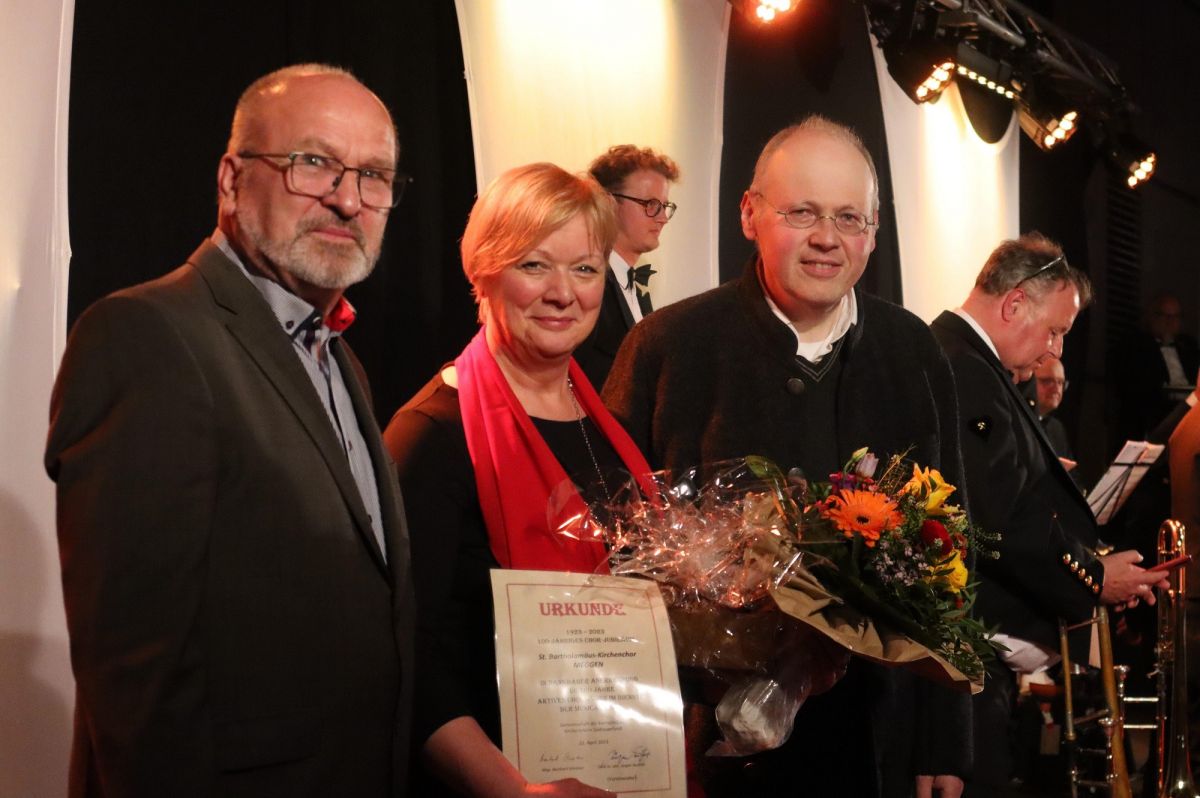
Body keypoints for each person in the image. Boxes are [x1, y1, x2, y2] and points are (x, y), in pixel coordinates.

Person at [43, 64, 414, 797]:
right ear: (231, 180)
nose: (347, 198)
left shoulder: (341, 363)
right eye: (314, 163)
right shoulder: (145, 335)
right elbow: (137, 679)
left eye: (374, 176)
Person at [604, 115, 968, 797]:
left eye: (849, 218)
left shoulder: (914, 353)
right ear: (750, 214)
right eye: (802, 212)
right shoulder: (667, 346)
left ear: (875, 229)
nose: (828, 238)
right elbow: (611, 550)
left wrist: (944, 741)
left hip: (877, 742)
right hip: (703, 747)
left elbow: (952, 550)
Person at [384, 163, 657, 797]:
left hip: (621, 770)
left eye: (585, 269)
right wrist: (510, 790)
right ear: (484, 271)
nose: (564, 293)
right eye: (535, 265)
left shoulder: (605, 421)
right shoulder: (430, 433)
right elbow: (407, 657)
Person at [929, 233, 1169, 795]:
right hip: (962, 663)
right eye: (1056, 330)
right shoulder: (966, 367)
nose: (1055, 351)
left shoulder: (967, 363)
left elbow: (991, 484)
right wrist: (1093, 575)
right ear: (1014, 304)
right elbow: (1001, 515)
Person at [572, 145, 680, 388]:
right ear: (608, 203)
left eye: (665, 206)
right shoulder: (587, 285)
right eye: (651, 204)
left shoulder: (638, 287)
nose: (662, 218)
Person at [1116, 293, 1200, 442]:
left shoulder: (1189, 347)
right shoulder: (1137, 346)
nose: (1170, 322)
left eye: (1175, 316)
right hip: (1158, 409)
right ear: (1152, 318)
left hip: (1189, 408)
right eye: (1164, 316)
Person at [1032, 358, 1078, 470]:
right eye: (1047, 381)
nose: (1056, 388)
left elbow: (1073, 477)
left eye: (1060, 382)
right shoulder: (1016, 422)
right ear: (1027, 380)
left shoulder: (1056, 428)